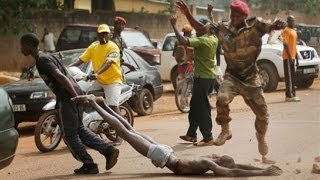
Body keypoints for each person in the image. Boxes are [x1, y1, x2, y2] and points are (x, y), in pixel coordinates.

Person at [174, 0, 286, 161]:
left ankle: (261, 138)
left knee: (263, 115)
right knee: (221, 98)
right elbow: (200, 28)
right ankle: (225, 130)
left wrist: (277, 25)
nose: (233, 17)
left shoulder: (256, 25)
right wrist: (187, 14)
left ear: (244, 16)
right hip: (232, 76)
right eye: (232, 14)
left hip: (251, 77)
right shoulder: (223, 29)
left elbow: (272, 26)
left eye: (237, 15)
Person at [72, 94, 283, 177]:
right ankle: (95, 103)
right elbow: (233, 172)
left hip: (166, 152)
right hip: (164, 156)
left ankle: (99, 103)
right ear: (220, 162)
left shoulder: (212, 158)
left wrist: (262, 169)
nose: (221, 163)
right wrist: (261, 173)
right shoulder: (208, 164)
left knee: (128, 129)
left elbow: (237, 166)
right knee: (125, 131)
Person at [20, 33, 119, 175]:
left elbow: (61, 77)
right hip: (72, 94)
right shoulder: (46, 56)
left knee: (69, 135)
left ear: (29, 46)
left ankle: (89, 165)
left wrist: (76, 97)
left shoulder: (42, 60)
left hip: (69, 97)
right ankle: (108, 150)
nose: (21, 49)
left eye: (22, 46)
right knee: (78, 129)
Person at [170, 14, 218, 146]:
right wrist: (210, 14)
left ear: (204, 28)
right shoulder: (212, 37)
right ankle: (191, 134)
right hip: (208, 77)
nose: (195, 28)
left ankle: (208, 137)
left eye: (198, 26)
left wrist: (174, 25)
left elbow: (184, 41)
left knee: (202, 108)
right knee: (195, 106)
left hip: (202, 79)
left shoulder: (203, 40)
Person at [69, 24, 123, 115]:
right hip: (99, 81)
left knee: (113, 107)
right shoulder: (93, 47)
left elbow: (109, 62)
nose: (104, 36)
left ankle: (123, 128)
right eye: (101, 34)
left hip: (113, 81)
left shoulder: (113, 47)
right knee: (86, 97)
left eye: (106, 33)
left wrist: (97, 73)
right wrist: (67, 68)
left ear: (109, 34)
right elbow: (81, 60)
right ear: (97, 35)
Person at [282, 16, 301, 102]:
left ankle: (293, 94)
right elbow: (285, 44)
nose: (293, 22)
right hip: (287, 57)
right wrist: (290, 57)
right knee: (289, 77)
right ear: (288, 21)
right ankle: (289, 96)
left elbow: (294, 46)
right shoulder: (286, 30)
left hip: (293, 57)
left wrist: (296, 58)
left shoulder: (294, 31)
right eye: (291, 21)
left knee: (292, 77)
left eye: (293, 20)